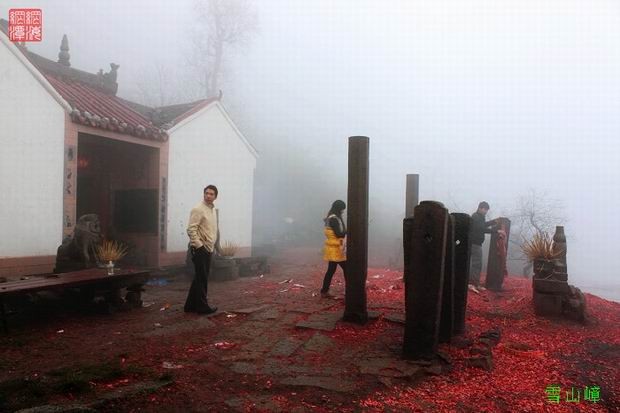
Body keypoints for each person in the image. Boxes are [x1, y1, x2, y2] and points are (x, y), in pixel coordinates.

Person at [184, 185, 221, 314]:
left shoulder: (211, 210)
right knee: (202, 278)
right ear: (203, 194)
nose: (208, 195)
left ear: (215, 196)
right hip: (200, 249)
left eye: (211, 194)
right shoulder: (198, 209)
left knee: (199, 277)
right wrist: (199, 246)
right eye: (206, 193)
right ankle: (202, 306)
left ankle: (189, 306)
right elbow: (191, 229)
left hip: (208, 248)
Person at [469, 201, 499, 293]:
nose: (486, 211)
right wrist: (496, 231)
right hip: (475, 244)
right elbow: (481, 229)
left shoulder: (479, 217)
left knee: (477, 264)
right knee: (476, 264)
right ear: (480, 208)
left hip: (476, 243)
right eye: (485, 209)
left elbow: (483, 225)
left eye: (487, 210)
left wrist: (492, 222)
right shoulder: (476, 217)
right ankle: (472, 284)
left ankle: (474, 283)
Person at [320, 200, 347, 298]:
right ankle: (349, 290)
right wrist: (349, 230)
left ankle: (324, 290)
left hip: (332, 247)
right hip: (336, 248)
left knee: (331, 270)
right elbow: (339, 234)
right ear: (339, 209)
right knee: (347, 269)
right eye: (342, 210)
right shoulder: (334, 219)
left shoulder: (329, 217)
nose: (343, 212)